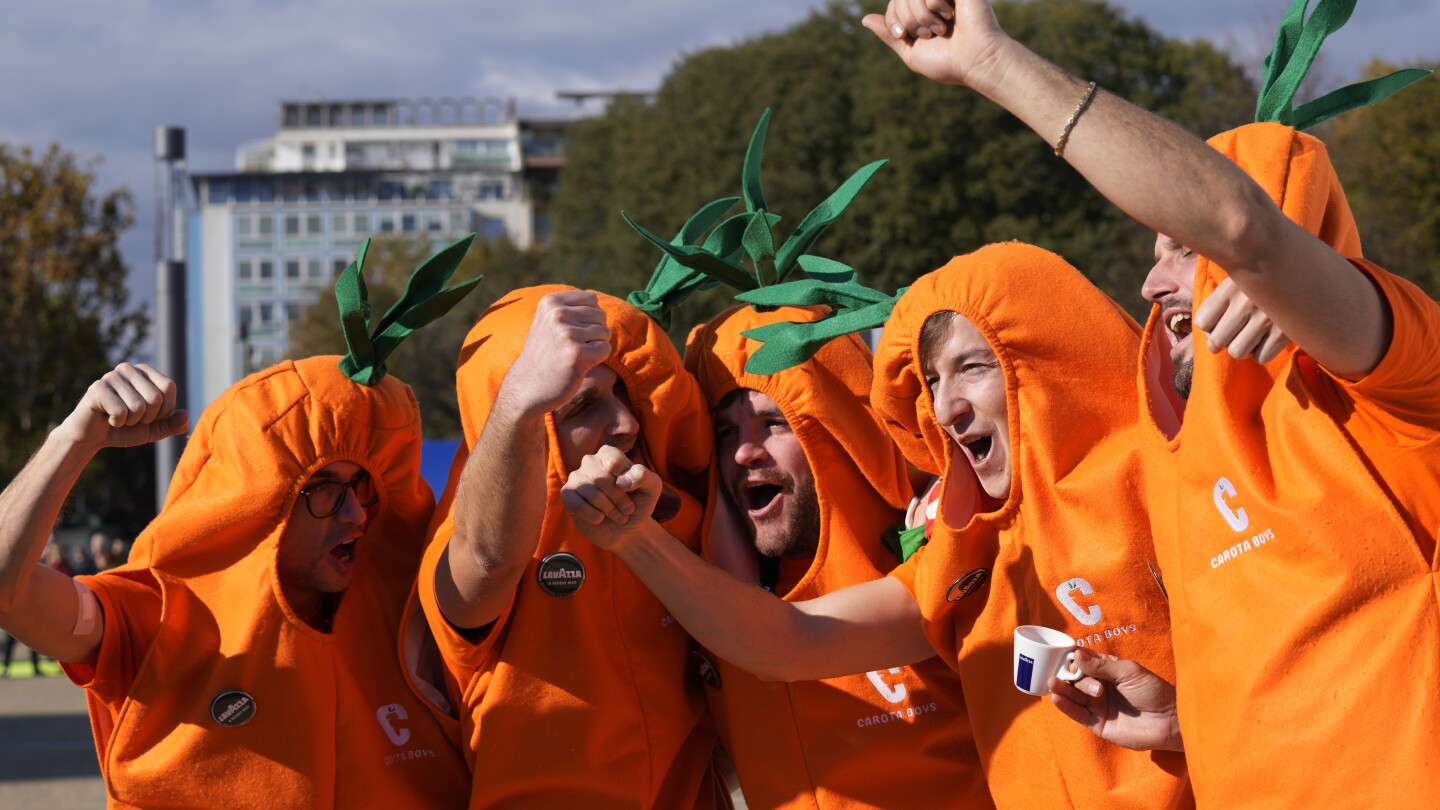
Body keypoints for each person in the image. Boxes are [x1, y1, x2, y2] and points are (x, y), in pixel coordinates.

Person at [868, 0, 1439, 804]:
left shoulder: (1393, 378)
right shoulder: (1182, 455)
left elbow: (1243, 225)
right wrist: (1181, 723)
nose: (1149, 282)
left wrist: (993, 64)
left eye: (1181, 249)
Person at [563, 243, 1192, 809]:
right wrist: (635, 540)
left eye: (974, 367)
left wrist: (1180, 722)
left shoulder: (1172, 489)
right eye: (933, 380)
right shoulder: (958, 558)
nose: (945, 407)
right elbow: (789, 644)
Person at [0, 242, 477, 805]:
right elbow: (8, 588)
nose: (354, 514)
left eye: (361, 487)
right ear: (258, 503)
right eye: (323, 490)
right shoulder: (155, 617)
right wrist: (72, 441)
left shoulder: (416, 617)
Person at [414, 285, 724, 808]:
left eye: (623, 395)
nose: (625, 423)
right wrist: (519, 400)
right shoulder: (469, 536)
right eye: (582, 406)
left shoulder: (681, 510)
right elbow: (485, 563)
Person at [677, 302, 992, 808]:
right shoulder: (702, 601)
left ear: (838, 430)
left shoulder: (942, 548)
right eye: (725, 432)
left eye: (773, 423)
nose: (744, 452)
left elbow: (783, 645)